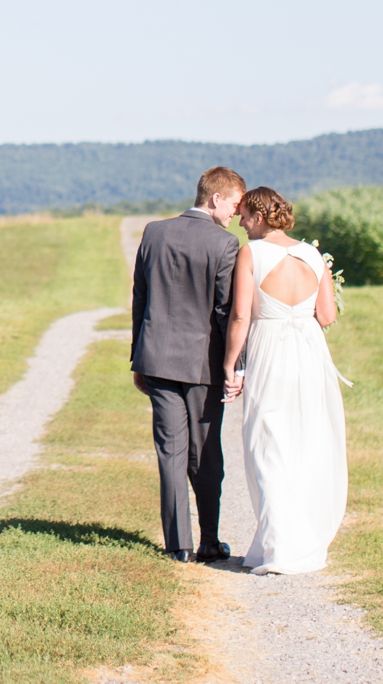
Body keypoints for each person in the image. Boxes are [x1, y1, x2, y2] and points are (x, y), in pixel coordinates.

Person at [220, 186, 349, 575]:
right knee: (307, 442)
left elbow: (241, 317)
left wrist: (230, 365)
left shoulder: (252, 253)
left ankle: (281, 548)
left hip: (270, 352)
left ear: (259, 216)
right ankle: (294, 540)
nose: (241, 224)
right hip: (309, 355)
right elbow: (327, 316)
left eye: (244, 216)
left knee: (268, 445)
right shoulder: (312, 254)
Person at [130, 166, 245, 562]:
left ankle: (178, 546)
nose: (236, 213)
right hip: (202, 366)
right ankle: (209, 541)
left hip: (157, 359)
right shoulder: (225, 245)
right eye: (233, 203)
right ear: (215, 198)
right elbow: (225, 313)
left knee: (171, 452)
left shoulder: (153, 232)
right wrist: (236, 365)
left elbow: (140, 299)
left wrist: (137, 357)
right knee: (206, 452)